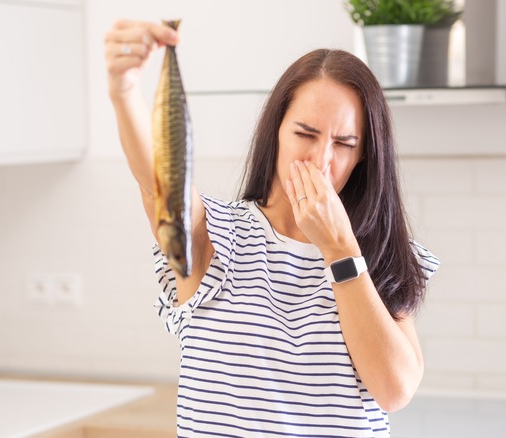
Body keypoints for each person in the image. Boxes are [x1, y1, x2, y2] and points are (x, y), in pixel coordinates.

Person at [105, 19, 439, 437]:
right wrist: (122, 91)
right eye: (305, 134)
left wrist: (340, 250)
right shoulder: (216, 237)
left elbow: (395, 390)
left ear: (364, 157)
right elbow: (157, 183)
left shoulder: (375, 254)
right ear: (276, 132)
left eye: (345, 144)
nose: (321, 160)